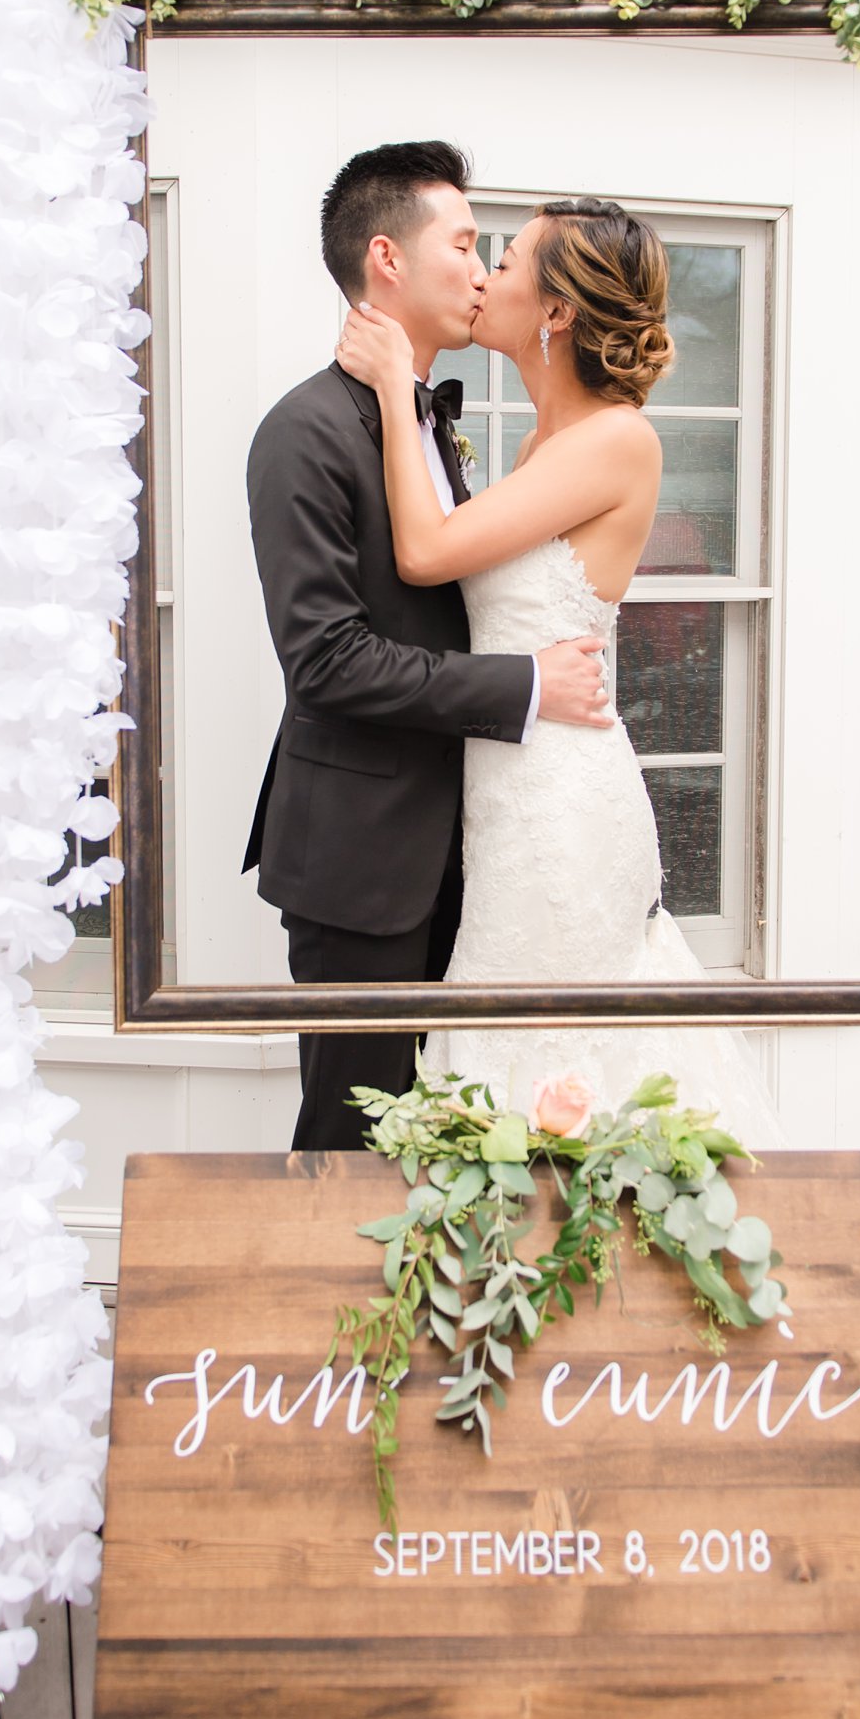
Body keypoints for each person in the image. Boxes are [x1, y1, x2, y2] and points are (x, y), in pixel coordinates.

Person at [335, 194, 787, 1148]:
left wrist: (385, 386)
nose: (484, 274)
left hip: (560, 801)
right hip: (507, 781)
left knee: (558, 1050)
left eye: (506, 260)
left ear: (556, 311)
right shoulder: (546, 442)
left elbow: (426, 552)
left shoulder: (619, 439)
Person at [244, 143, 617, 1151]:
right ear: (387, 261)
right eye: (462, 243)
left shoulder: (422, 420)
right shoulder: (305, 432)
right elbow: (326, 659)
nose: (481, 267)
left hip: (471, 851)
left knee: (446, 1139)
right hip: (362, 867)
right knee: (349, 1142)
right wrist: (524, 685)